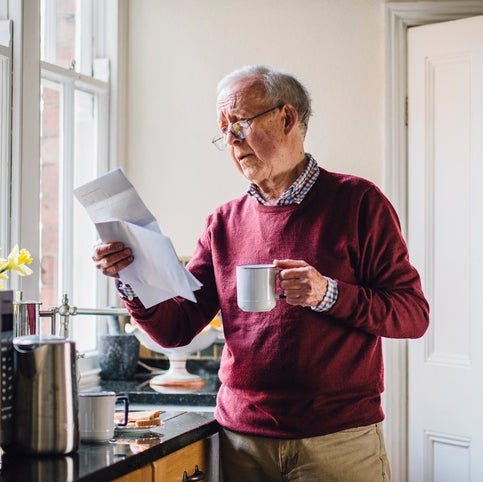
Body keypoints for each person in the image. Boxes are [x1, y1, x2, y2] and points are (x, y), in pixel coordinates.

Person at [92, 65, 429, 482]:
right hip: (241, 442)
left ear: (287, 118)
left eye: (241, 123)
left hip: (338, 443)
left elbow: (413, 314)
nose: (231, 141)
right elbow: (176, 330)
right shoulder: (223, 222)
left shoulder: (358, 202)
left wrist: (328, 293)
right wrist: (131, 278)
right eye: (224, 131)